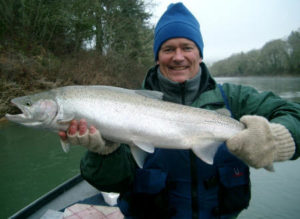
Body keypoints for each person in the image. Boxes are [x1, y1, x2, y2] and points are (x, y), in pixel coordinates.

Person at [59, 3, 300, 219]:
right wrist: (103, 153)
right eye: (168, 49)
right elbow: (112, 182)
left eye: (187, 47)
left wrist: (277, 138)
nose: (178, 57)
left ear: (200, 54)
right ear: (157, 57)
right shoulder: (120, 108)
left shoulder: (236, 99)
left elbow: (295, 114)